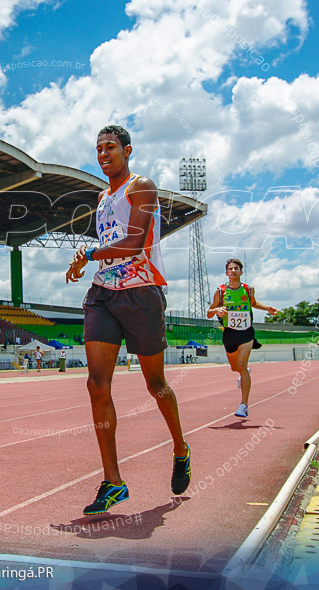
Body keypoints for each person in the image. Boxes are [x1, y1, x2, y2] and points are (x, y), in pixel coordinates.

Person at [65, 124, 190, 515]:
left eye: (110, 147)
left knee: (156, 384)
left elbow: (135, 242)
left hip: (141, 293)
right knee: (96, 383)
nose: (103, 154)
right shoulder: (102, 198)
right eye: (98, 148)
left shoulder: (142, 186)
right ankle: (113, 481)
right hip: (104, 294)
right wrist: (88, 260)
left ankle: (181, 447)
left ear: (127, 150)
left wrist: (88, 253)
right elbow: (107, 245)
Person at [206, 258, 279, 418]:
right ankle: (242, 372)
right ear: (226, 273)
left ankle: (244, 405)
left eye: (236, 268)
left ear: (241, 272)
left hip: (246, 332)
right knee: (235, 368)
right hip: (229, 333)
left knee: (241, 365)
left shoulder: (248, 289)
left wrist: (268, 308)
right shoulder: (220, 291)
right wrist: (218, 310)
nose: (233, 271)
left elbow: (253, 303)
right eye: (230, 269)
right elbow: (209, 312)